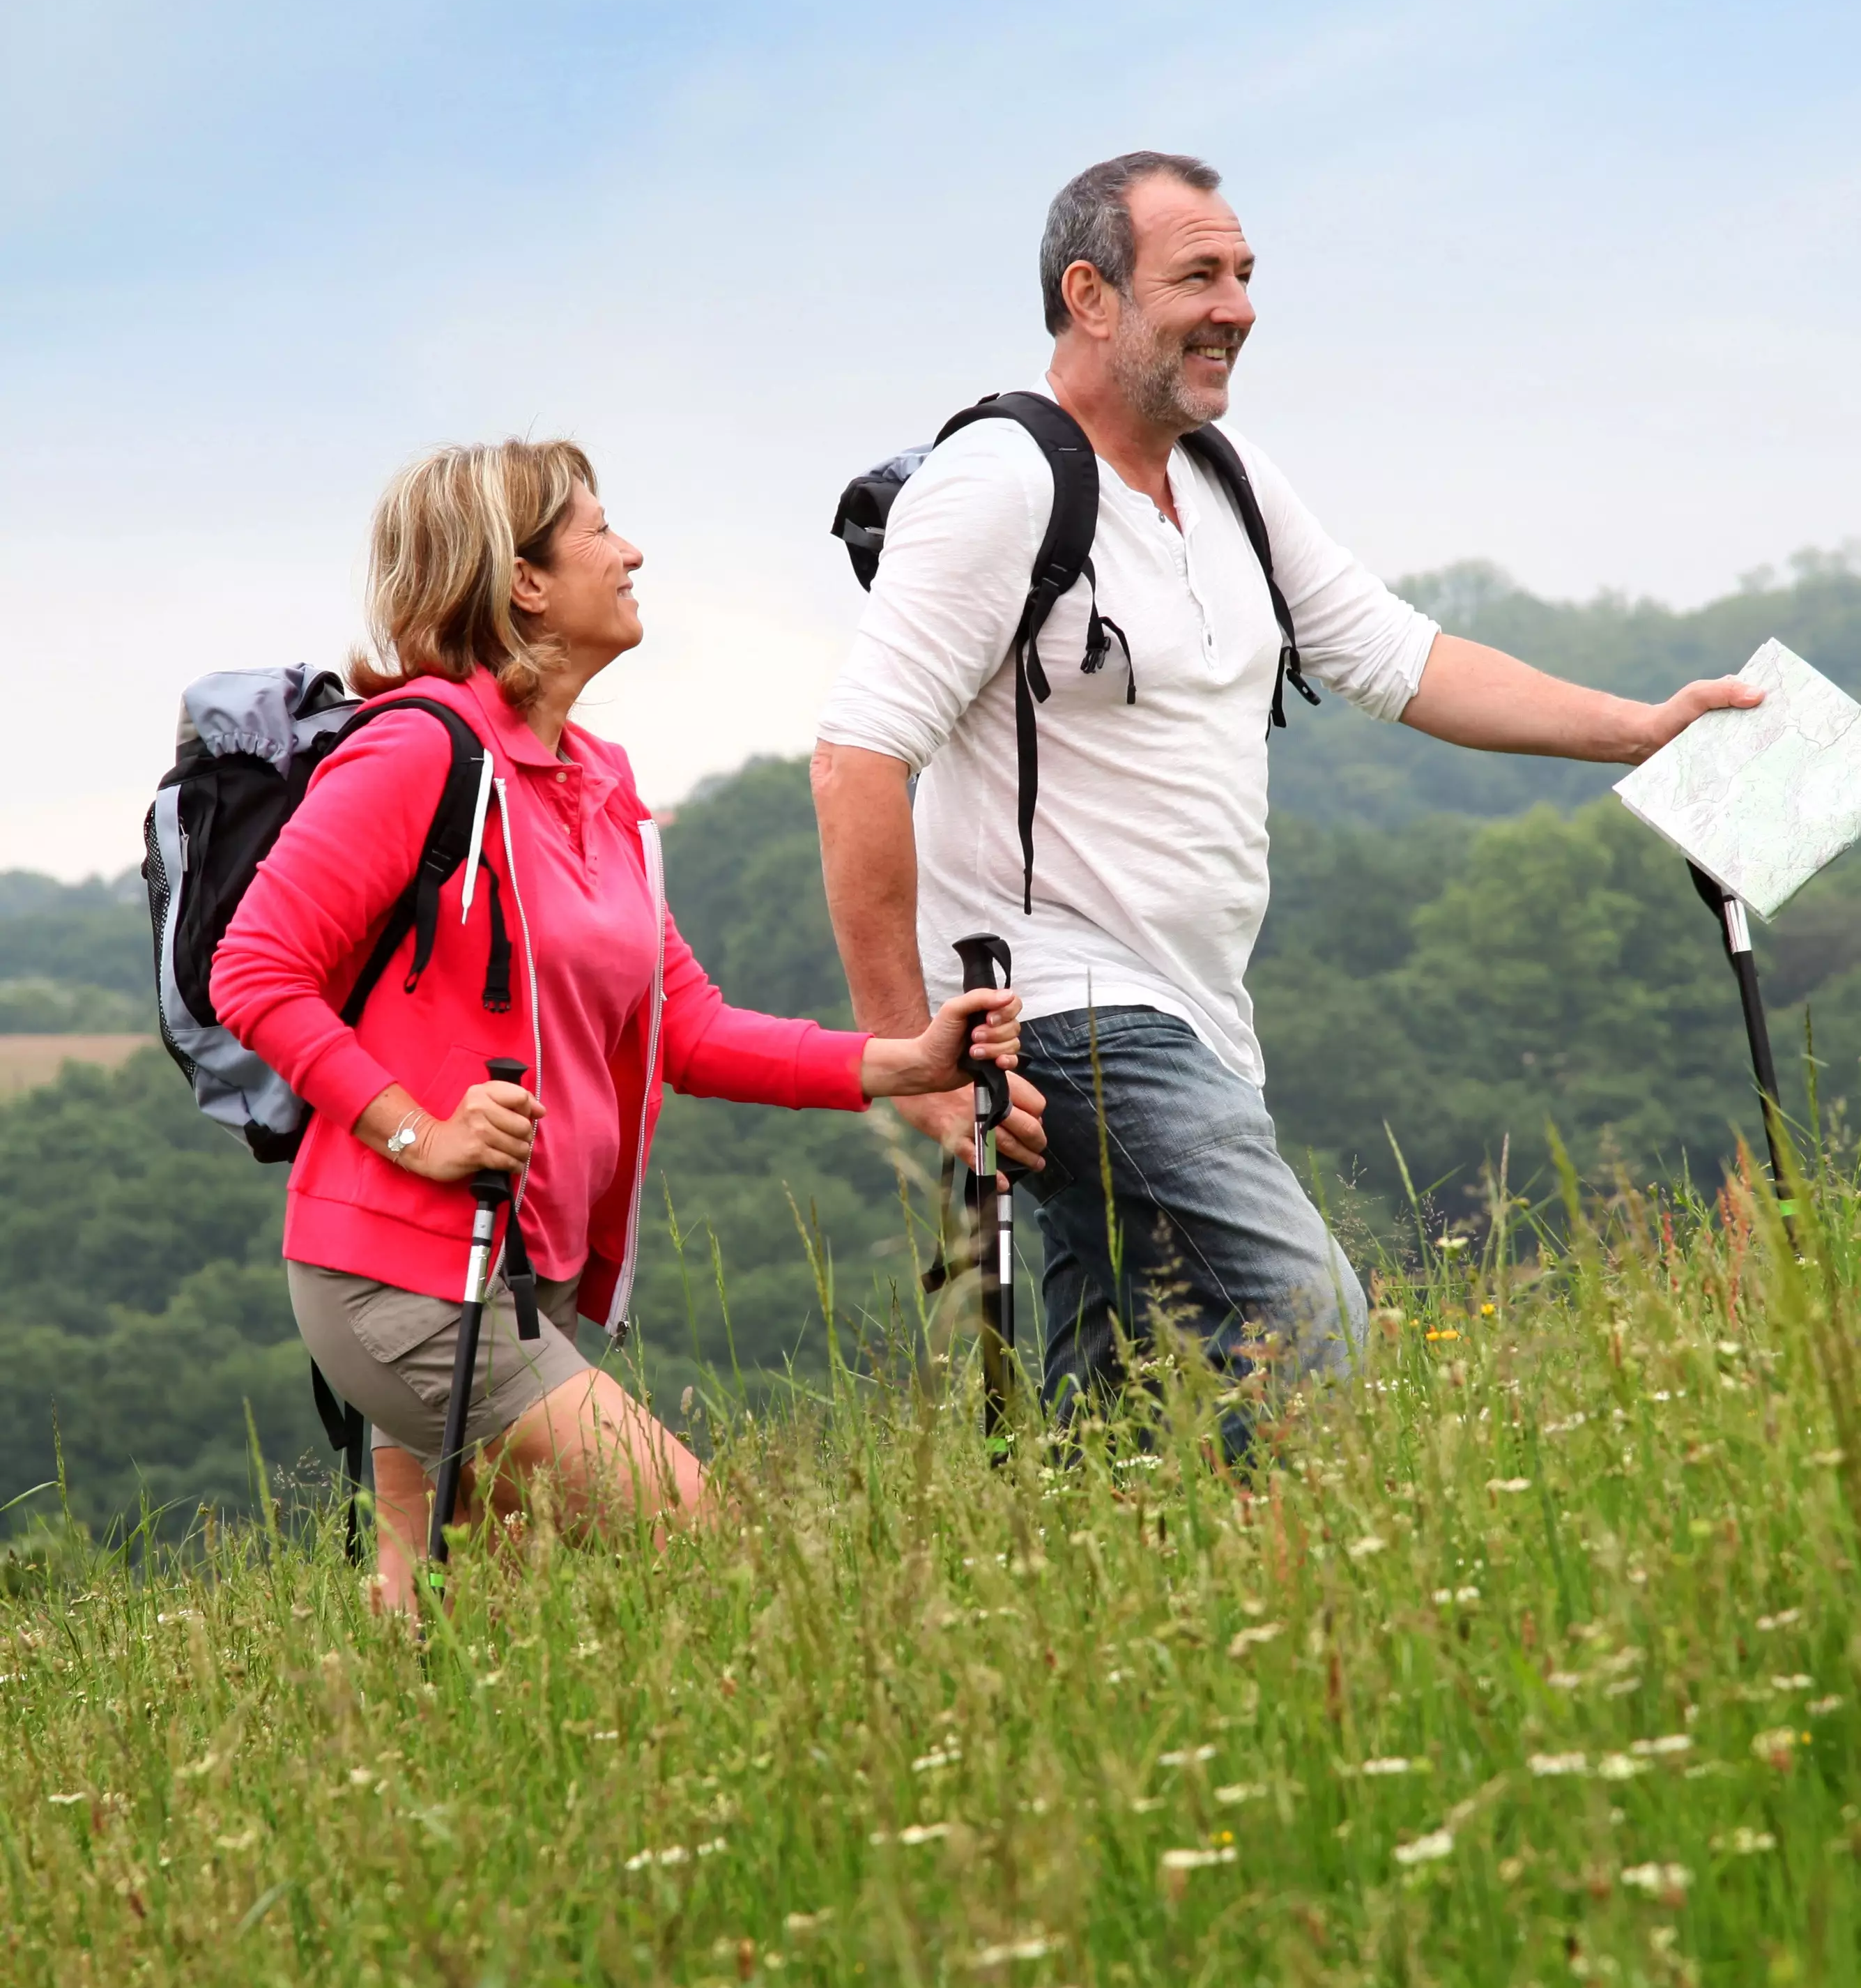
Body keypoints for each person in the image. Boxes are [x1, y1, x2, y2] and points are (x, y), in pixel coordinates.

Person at [811, 148, 1760, 1436]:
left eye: (1245, 276)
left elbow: (1396, 657)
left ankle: (1111, 1606)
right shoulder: (999, 483)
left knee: (1128, 1409)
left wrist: (1636, 728)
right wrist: (904, 1060)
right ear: (1089, 297)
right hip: (1069, 1008)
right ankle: (1320, 1598)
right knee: (1309, 1321)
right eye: (1197, 274)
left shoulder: (1227, 476)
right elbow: (859, 758)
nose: (1238, 307)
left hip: (1202, 1014)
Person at [213, 438, 1023, 1610]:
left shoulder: (597, 782)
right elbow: (257, 973)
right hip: (403, 1269)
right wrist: (417, 1133)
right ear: (522, 579)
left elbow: (683, 1028)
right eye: (597, 529)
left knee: (452, 1612)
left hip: (513, 1267)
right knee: (705, 1535)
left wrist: (900, 1063)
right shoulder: (416, 750)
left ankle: (364, 1786)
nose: (630, 549)